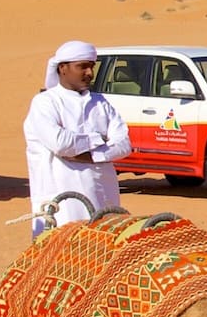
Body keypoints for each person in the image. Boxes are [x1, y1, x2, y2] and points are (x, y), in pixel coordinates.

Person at [24, 40, 131, 236]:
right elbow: (61, 144)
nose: (89, 73)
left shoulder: (101, 103)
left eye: (92, 66)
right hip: (61, 199)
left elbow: (124, 145)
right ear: (63, 68)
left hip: (104, 195)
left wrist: (91, 157)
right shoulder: (45, 103)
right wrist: (99, 138)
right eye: (82, 66)